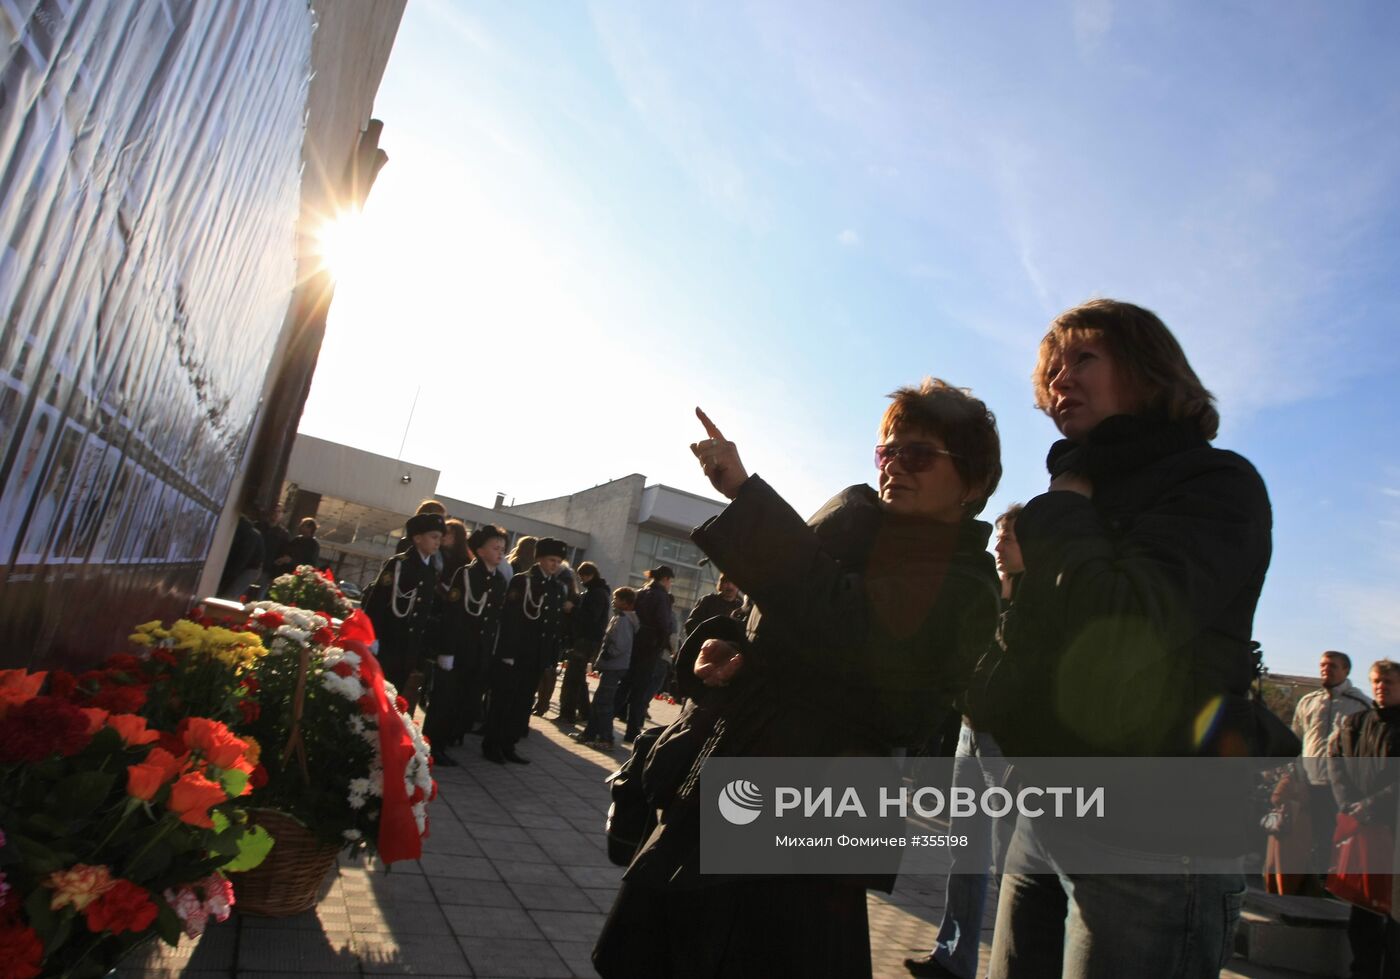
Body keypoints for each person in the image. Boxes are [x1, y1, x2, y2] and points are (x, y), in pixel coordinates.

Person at [593, 386, 1002, 979]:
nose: (893, 467)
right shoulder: (856, 539)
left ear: (971, 481)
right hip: (727, 781)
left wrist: (743, 492)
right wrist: (721, 650)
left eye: (917, 455)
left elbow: (851, 633)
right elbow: (780, 626)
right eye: (886, 453)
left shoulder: (965, 582)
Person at [974, 299, 1274, 978]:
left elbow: (1124, 628)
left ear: (1148, 370)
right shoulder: (1079, 492)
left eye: (1083, 357)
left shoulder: (1216, 484)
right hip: (1045, 814)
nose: (1060, 379)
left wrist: (1065, 515)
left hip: (1155, 841)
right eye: (1052, 367)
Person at [905, 503, 1022, 979]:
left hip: (1007, 744)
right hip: (969, 733)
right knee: (965, 852)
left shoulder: (1039, 605)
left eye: (1008, 537)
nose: (998, 545)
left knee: (1009, 863)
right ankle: (952, 958)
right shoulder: (990, 594)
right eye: (997, 535)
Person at [1328, 659, 1400, 979]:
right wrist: (1349, 803)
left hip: (1393, 827)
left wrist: (1375, 804)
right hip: (1362, 827)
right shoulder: (1355, 722)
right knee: (1364, 910)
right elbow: (1336, 760)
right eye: (1375, 682)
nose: (1380, 687)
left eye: (1388, 682)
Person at [482, 537, 569, 764]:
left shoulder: (557, 587)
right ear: (539, 558)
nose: (555, 564)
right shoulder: (524, 581)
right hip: (517, 653)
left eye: (558, 561)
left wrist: (550, 658)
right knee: (504, 702)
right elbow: (511, 619)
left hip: (536, 656)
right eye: (551, 559)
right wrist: (507, 653)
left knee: (522, 704)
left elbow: (553, 627)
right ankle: (492, 744)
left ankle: (509, 744)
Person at [434, 524, 509, 757]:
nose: (500, 553)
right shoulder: (466, 574)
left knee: (468, 700)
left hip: (481, 651)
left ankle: (453, 736)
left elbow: (496, 620)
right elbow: (453, 614)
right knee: (447, 699)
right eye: (495, 548)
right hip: (459, 649)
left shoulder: (499, 582)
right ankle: (436, 745)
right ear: (480, 550)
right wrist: (446, 650)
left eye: (503, 549)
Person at [1294, 650, 1371, 874]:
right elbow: (1296, 739)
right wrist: (1295, 775)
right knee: (1310, 834)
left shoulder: (1361, 705)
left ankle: (1330, 881)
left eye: (1333, 666)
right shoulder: (1308, 702)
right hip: (1308, 781)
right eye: (1323, 665)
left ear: (1346, 670)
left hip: (1339, 786)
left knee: (1335, 836)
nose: (1326, 670)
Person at [361, 512, 445, 714]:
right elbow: (378, 601)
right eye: (434, 537)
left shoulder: (430, 570)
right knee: (374, 693)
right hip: (389, 640)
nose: (438, 543)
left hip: (409, 648)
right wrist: (372, 637)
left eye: (440, 538)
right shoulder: (399, 564)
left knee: (394, 695)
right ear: (417, 538)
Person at [574, 586, 638, 750]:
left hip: (614, 665)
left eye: (617, 599)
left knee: (604, 703)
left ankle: (606, 738)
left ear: (625, 602)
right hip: (612, 665)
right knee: (598, 702)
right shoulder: (620, 617)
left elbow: (621, 644)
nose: (613, 601)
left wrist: (608, 653)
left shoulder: (624, 619)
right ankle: (589, 734)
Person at [618, 565, 676, 743]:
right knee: (640, 692)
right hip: (650, 648)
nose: (670, 585)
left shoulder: (641, 592)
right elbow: (664, 624)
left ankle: (600, 723)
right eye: (670, 581)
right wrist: (663, 644)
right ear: (665, 579)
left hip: (634, 644)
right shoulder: (662, 597)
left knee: (624, 685)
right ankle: (632, 731)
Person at [560, 561, 610, 724]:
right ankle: (584, 711)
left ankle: (568, 713)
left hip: (585, 639)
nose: (581, 580)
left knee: (573, 677)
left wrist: (572, 609)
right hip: (590, 639)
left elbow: (590, 618)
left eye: (583, 576)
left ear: (591, 575)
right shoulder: (599, 592)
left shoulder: (595, 594)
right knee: (578, 676)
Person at [217, 510, 264, 601]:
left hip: (251, 568)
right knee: (230, 591)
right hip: (248, 565)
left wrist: (230, 575)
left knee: (231, 594)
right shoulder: (248, 531)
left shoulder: (249, 535)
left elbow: (243, 557)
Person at [439, 518, 472, 584]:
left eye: (448, 533)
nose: (443, 535)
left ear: (458, 537)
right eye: (442, 532)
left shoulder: (466, 562)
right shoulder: (435, 554)